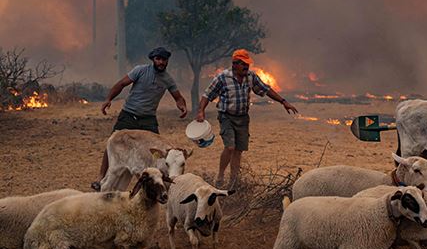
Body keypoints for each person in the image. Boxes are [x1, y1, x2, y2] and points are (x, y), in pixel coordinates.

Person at [195, 49, 298, 188]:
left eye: (247, 64)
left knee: (238, 150)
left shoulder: (251, 76)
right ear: (235, 64)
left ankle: (233, 182)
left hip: (243, 118)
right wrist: (201, 111)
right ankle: (220, 176)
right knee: (230, 147)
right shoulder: (222, 78)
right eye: (243, 64)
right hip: (226, 116)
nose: (246, 67)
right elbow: (207, 94)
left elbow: (265, 89)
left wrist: (283, 101)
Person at [92, 46, 188, 190]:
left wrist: (182, 106)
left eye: (164, 60)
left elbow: (178, 97)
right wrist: (108, 99)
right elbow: (121, 84)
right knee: (113, 142)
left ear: (167, 61)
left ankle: (150, 180)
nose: (161, 62)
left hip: (148, 118)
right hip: (129, 114)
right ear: (153, 60)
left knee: (157, 150)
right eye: (158, 59)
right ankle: (100, 177)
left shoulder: (168, 79)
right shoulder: (140, 70)